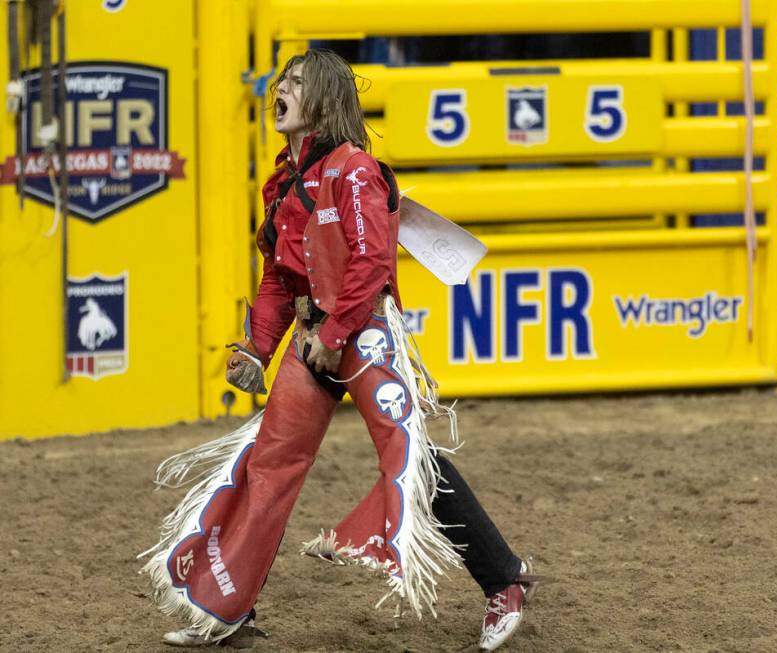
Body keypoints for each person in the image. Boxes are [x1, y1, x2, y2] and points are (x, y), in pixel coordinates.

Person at [138, 49, 539, 651]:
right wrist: (258, 348)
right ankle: (227, 611)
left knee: (410, 460)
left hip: (362, 333)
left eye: (296, 83)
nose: (282, 89)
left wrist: (331, 336)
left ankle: (504, 581)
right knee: (269, 469)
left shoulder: (354, 171)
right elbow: (279, 276)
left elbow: (371, 263)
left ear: (324, 101)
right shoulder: (283, 181)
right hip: (315, 338)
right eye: (283, 80)